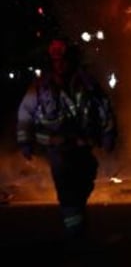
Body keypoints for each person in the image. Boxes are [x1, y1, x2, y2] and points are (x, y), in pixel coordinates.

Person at [16, 37, 117, 239]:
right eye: (56, 61)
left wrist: (108, 135)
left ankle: (76, 215)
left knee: (85, 181)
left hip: (82, 146)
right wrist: (25, 143)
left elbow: (104, 109)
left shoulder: (87, 85)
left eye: (64, 60)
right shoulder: (40, 87)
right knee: (66, 187)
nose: (60, 65)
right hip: (57, 148)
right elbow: (25, 115)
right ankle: (75, 232)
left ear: (72, 61)